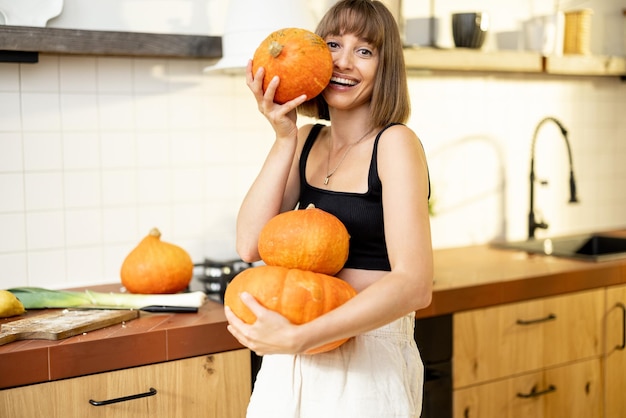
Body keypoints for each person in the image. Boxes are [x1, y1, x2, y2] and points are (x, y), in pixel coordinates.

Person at [224, 1, 433, 417]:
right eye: (333, 43)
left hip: (366, 352)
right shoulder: (305, 141)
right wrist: (283, 137)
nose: (343, 62)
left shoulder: (395, 144)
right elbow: (249, 244)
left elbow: (415, 284)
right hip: (292, 350)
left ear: (385, 67)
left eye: (365, 51)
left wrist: (301, 337)